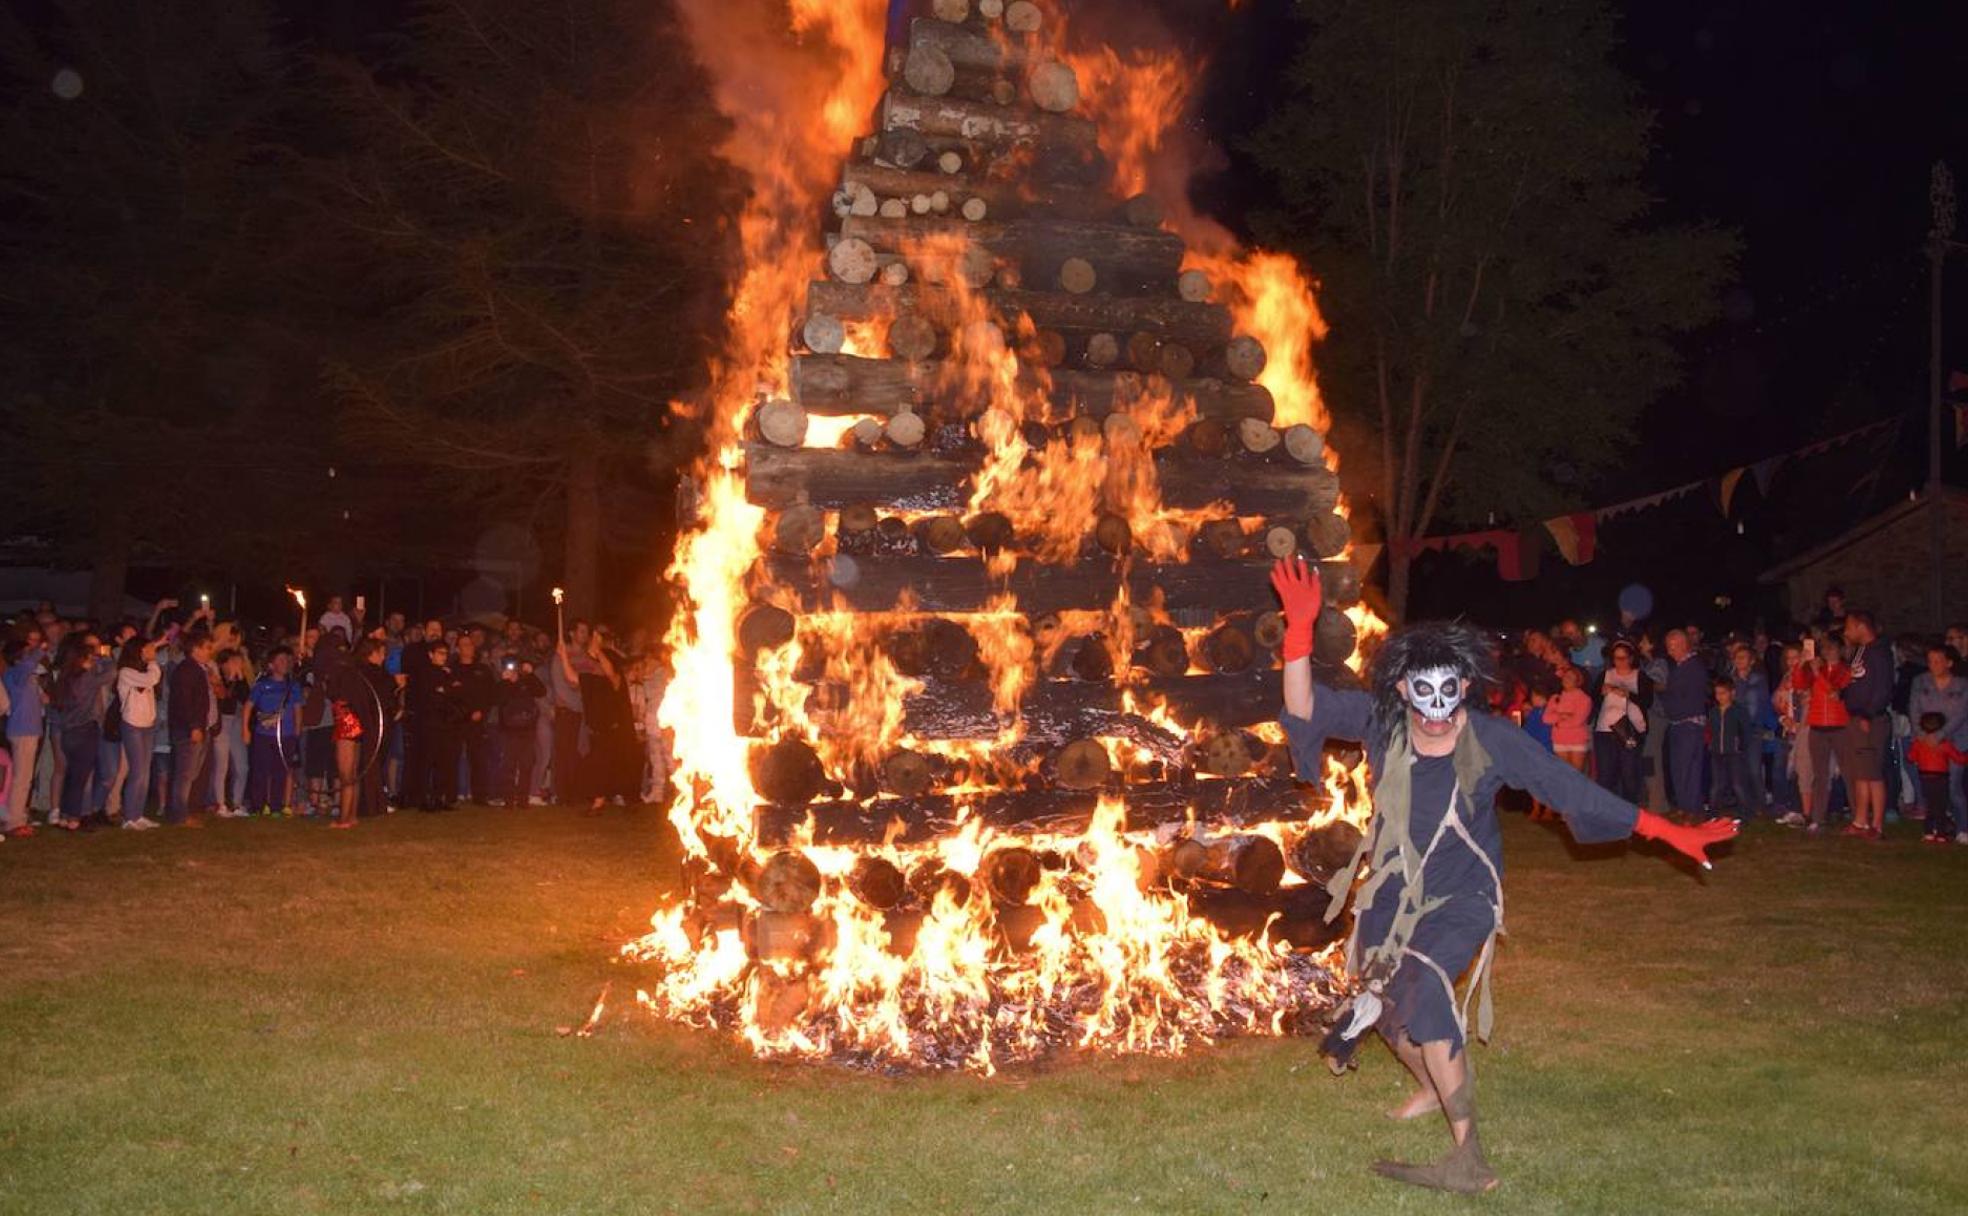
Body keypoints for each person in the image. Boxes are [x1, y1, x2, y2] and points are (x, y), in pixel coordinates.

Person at [1270, 560, 1735, 1194]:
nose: (1436, 711)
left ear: (1465, 684)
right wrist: (1299, 632)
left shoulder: (1491, 739)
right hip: (1392, 892)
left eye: (1449, 692)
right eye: (1422, 693)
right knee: (1385, 1003)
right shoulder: (1382, 722)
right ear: (1402, 688)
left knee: (1425, 987)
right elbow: (1304, 706)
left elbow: (1571, 789)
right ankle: (1434, 1087)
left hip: (1462, 893)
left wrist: (1668, 831)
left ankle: (1469, 1158)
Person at [1793, 635, 1864, 835]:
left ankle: (1858, 817)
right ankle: (1818, 818)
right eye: (1824, 648)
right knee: (1820, 775)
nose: (1827, 652)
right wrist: (1802, 664)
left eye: (1831, 648)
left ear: (1840, 650)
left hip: (1840, 726)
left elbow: (1834, 692)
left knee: (1849, 773)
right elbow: (1799, 684)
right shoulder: (1817, 669)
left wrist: (1818, 674)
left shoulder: (1845, 671)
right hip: (1818, 726)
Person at [48, 635, 116, 829]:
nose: (92, 659)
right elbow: (111, 674)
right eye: (89, 656)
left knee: (71, 774)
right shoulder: (85, 678)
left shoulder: (65, 677)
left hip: (68, 732)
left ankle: (64, 814)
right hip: (85, 730)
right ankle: (73, 818)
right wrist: (106, 657)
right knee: (80, 776)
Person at [1840, 611, 1894, 837]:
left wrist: (1868, 714)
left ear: (1861, 626)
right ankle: (1860, 820)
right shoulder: (1860, 651)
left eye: (1849, 627)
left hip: (1870, 720)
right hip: (1855, 717)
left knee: (1872, 772)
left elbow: (1883, 688)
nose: (1846, 632)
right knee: (1861, 772)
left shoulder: (1879, 653)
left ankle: (1877, 824)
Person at [1909, 643, 1968, 835]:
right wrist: (1922, 734)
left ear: (1949, 663)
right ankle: (1937, 825)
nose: (1933, 665)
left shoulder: (1962, 685)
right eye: (1930, 661)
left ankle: (1963, 828)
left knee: (1953, 787)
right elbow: (1914, 709)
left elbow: (1961, 714)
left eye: (1938, 661)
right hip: (1927, 745)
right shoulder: (1921, 681)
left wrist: (1940, 736)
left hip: (1954, 741)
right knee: (1932, 789)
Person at [243, 648, 306, 817]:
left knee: (281, 771)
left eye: (287, 660)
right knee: (260, 770)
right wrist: (245, 730)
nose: (285, 663)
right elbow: (248, 706)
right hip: (263, 734)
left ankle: (276, 805)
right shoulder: (261, 685)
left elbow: (298, 709)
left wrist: (297, 731)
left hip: (286, 734)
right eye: (281, 660)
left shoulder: (293, 686)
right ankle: (258, 805)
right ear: (271, 665)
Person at [165, 633, 218, 825]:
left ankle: (181, 810)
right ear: (196, 649)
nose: (210, 652)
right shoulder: (188, 670)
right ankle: (179, 815)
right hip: (188, 729)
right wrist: (194, 726)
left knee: (190, 772)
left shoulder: (196, 669)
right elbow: (185, 702)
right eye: (207, 648)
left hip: (197, 726)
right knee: (185, 774)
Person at [113, 637, 163, 829]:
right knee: (137, 771)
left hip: (147, 725)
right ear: (139, 651)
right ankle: (129, 817)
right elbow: (152, 679)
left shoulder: (144, 671)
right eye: (148, 649)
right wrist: (152, 661)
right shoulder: (126, 672)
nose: (153, 652)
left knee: (145, 771)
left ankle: (138, 814)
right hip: (132, 724)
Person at [1659, 629, 1710, 818]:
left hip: (1689, 723)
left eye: (1672, 647)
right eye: (1668, 647)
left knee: (1689, 768)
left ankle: (1692, 808)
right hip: (1678, 723)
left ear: (1683, 645)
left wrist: (1668, 701)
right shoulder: (1679, 667)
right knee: (1678, 767)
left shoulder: (1693, 667)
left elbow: (1686, 698)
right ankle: (1684, 805)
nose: (1669, 651)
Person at [1592, 640, 1649, 803]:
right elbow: (1594, 700)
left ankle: (1630, 809)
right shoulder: (1605, 675)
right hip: (1604, 730)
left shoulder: (1640, 676)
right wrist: (1602, 693)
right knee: (1605, 774)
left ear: (1631, 658)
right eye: (1616, 658)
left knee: (1629, 772)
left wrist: (1628, 694)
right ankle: (1607, 808)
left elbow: (1647, 701)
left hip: (1629, 730)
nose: (1619, 662)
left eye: (1623, 658)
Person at [3, 635, 49, 838]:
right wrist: (40, 649)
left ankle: (18, 816)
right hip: (22, 730)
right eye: (27, 652)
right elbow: (28, 665)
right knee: (21, 778)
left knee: (25, 777)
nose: (31, 655)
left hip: (30, 729)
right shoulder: (14, 673)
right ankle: (13, 822)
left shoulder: (26, 674)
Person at [493, 657, 548, 808]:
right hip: (508, 730)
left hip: (527, 729)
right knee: (508, 766)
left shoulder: (526, 681)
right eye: (508, 666)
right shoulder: (502, 683)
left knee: (526, 765)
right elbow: (496, 699)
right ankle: (508, 800)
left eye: (514, 666)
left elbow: (541, 691)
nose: (511, 669)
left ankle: (523, 800)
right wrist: (505, 681)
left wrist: (530, 674)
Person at [1907, 712, 1968, 844]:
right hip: (1940, 778)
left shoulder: (1919, 743)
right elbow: (1959, 758)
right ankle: (1940, 834)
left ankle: (1928, 832)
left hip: (1925, 777)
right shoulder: (1944, 744)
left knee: (1930, 805)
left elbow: (1911, 757)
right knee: (1941, 806)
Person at [1728, 646, 1771, 818]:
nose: (1739, 660)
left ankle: (1760, 805)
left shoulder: (1758, 680)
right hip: (1735, 731)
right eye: (1737, 657)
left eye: (1743, 657)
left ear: (1752, 661)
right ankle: (1745, 806)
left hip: (1753, 731)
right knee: (1738, 772)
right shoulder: (1731, 681)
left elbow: (1760, 705)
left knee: (1754, 769)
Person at [210, 649, 253, 817]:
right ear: (224, 663)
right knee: (222, 765)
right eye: (234, 662)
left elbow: (247, 699)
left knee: (242, 765)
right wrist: (231, 680)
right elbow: (223, 698)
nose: (238, 665)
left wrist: (240, 679)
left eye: (239, 662)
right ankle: (220, 803)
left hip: (237, 721)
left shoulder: (240, 681)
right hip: (222, 721)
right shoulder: (217, 676)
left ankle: (237, 802)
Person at [1708, 677, 1753, 816]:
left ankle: (1746, 812)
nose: (1719, 697)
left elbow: (1746, 731)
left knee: (1737, 784)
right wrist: (1711, 745)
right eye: (1717, 693)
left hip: (1734, 753)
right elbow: (1711, 731)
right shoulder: (1713, 711)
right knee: (1717, 785)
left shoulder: (1739, 711)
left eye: (1723, 693)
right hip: (1716, 753)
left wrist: (1740, 747)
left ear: (1732, 693)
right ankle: (1713, 812)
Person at [1540, 665, 1592, 776]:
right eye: (1565, 676)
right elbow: (1546, 718)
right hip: (1559, 739)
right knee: (1563, 775)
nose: (1566, 679)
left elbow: (1577, 721)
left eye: (1570, 677)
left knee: (1577, 775)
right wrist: (1563, 716)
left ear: (1577, 681)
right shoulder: (1555, 697)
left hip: (1577, 740)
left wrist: (1557, 722)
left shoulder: (1584, 699)